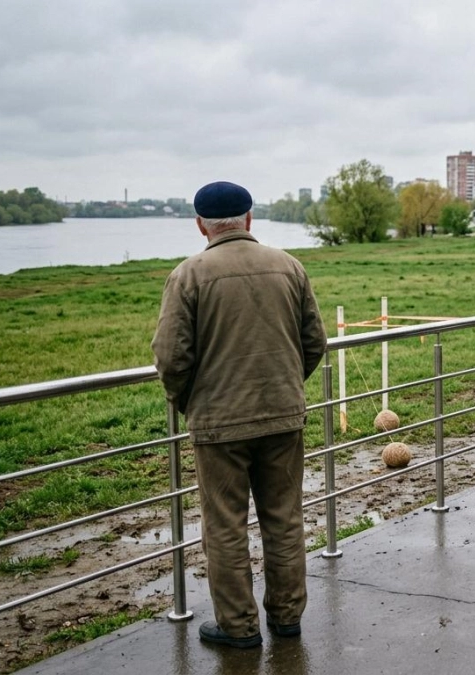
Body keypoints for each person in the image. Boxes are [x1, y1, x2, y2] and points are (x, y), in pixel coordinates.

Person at [152, 181, 327, 648]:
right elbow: (314, 343)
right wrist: (285, 389)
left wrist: (191, 401)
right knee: (284, 519)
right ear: (250, 220)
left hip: (218, 424)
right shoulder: (289, 266)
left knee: (225, 526)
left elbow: (171, 357)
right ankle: (287, 618)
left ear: (200, 225)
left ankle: (238, 627)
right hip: (284, 416)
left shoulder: (188, 275)